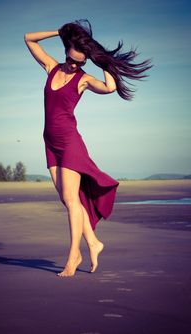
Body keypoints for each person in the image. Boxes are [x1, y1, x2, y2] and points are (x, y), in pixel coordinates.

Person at [24, 19, 153, 277]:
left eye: (80, 63)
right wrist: (59, 32)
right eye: (72, 60)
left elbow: (109, 87)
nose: (74, 66)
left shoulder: (83, 79)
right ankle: (93, 242)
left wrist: (103, 64)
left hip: (70, 143)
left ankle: (74, 256)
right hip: (50, 142)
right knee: (67, 199)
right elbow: (29, 38)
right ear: (66, 52)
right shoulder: (51, 68)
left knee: (72, 201)